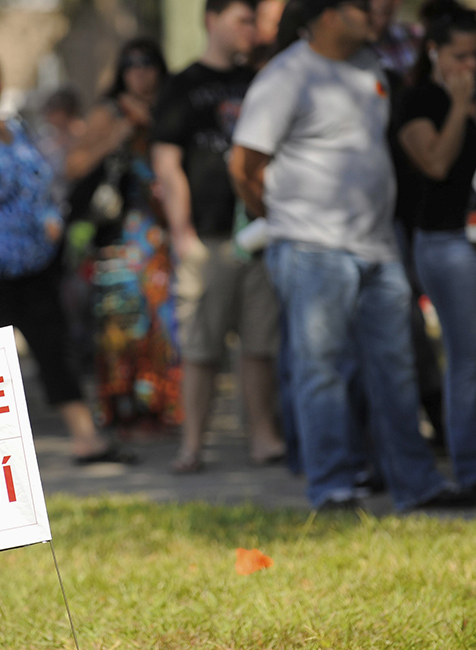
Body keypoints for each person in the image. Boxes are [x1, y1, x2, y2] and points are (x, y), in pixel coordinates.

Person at [229, 0, 473, 511]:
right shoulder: (286, 75)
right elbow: (245, 164)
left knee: (397, 369)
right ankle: (333, 487)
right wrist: (284, 218)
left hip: (378, 246)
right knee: (322, 370)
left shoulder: (370, 66)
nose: (378, 12)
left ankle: (417, 485)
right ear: (329, 12)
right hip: (312, 247)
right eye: (365, 5)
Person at [0, 52, 135, 464]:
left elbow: (39, 182)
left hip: (34, 264)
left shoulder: (13, 130)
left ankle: (85, 436)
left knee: (51, 344)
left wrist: (50, 218)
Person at [397, 1, 476, 505]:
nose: (469, 67)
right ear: (434, 52)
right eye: (460, 56)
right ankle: (472, 470)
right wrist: (457, 107)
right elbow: (434, 162)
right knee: (466, 359)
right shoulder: (418, 100)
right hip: (447, 242)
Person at [152, 0, 283, 472]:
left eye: (253, 20)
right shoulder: (183, 85)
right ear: (212, 20)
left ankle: (264, 437)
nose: (250, 29)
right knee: (202, 349)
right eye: (240, 20)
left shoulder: (262, 80)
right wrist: (182, 232)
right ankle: (192, 446)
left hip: (259, 234)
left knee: (259, 343)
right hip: (206, 239)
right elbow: (167, 165)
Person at [65, 38, 181, 433]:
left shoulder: (171, 105)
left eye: (148, 63)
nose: (140, 72)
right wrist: (119, 132)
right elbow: (75, 165)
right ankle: (122, 408)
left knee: (161, 321)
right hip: (118, 234)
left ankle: (161, 406)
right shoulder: (109, 111)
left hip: (162, 232)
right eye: (131, 64)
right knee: (120, 322)